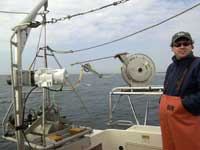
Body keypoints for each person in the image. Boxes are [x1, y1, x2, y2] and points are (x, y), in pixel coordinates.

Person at [159, 31, 200, 150]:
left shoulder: (198, 64)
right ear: (172, 48)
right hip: (168, 123)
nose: (182, 46)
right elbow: (167, 91)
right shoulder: (171, 67)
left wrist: (183, 104)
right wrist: (161, 102)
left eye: (186, 43)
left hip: (189, 123)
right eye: (178, 44)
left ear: (192, 46)